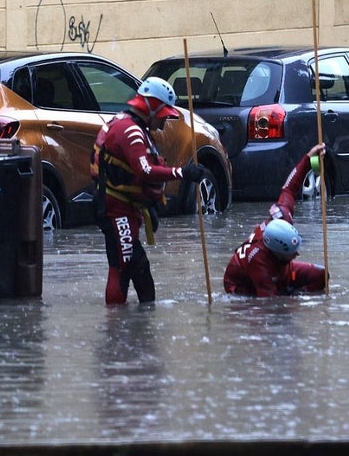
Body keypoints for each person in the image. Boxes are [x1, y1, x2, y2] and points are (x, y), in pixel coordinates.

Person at [91, 77, 206, 305]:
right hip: (115, 209)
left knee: (132, 266)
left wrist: (149, 205)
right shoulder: (129, 131)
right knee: (126, 265)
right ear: (152, 108)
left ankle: (136, 320)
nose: (163, 123)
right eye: (163, 116)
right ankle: (118, 322)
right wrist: (183, 172)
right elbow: (144, 171)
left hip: (125, 207)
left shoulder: (134, 127)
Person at [223, 143, 328, 297]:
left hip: (279, 271)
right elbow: (270, 304)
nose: (297, 254)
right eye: (292, 253)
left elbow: (289, 188)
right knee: (275, 302)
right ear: (277, 253)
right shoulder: (259, 261)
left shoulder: (282, 216)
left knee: (322, 275)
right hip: (246, 286)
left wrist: (308, 159)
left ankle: (294, 292)